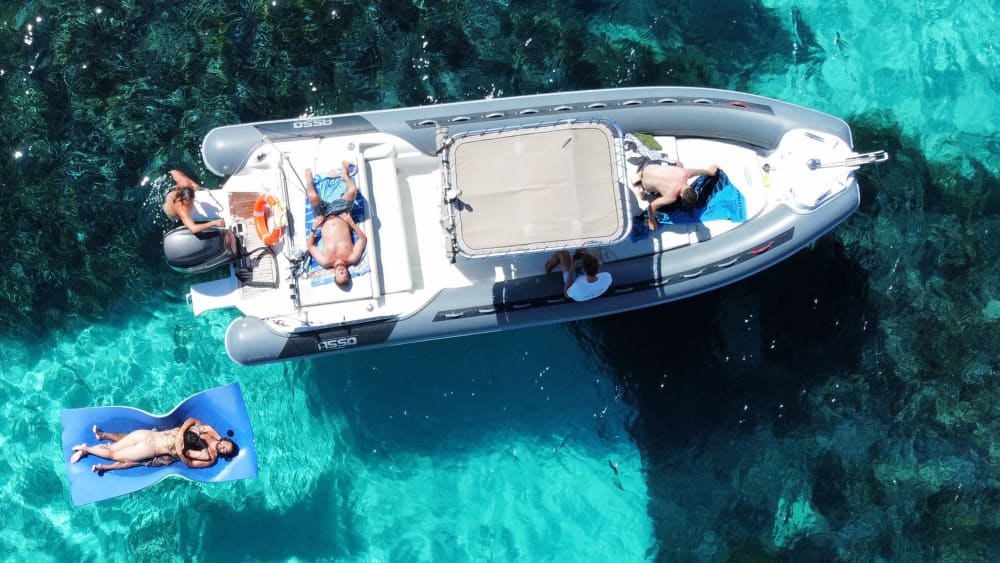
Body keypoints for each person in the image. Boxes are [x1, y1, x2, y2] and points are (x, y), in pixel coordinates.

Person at [69, 418, 239, 473]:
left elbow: (191, 464)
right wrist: (181, 434)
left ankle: (86, 449)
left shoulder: (209, 456)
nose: (222, 447)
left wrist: (181, 451)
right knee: (116, 449)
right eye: (225, 444)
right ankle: (88, 447)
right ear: (224, 440)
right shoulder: (208, 432)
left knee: (115, 452)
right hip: (149, 437)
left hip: (151, 446)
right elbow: (193, 421)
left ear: (224, 455)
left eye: (225, 450)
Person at [305, 161, 368, 287]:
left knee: (312, 196)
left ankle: (309, 181)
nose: (342, 272)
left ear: (335, 275)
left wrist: (314, 228)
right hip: (342, 214)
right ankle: (345, 176)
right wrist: (351, 222)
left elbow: (310, 246)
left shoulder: (325, 261)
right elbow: (363, 239)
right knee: (352, 190)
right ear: (348, 273)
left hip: (323, 217)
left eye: (340, 275)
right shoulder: (352, 258)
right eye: (345, 275)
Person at [631, 161, 718, 231]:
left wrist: (710, 172)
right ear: (681, 196)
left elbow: (699, 171)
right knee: (668, 206)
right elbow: (651, 206)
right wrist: (651, 221)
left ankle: (640, 175)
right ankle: (640, 187)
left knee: (679, 164)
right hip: (644, 184)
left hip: (648, 166)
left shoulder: (686, 173)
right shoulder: (671, 197)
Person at [163, 169, 226, 233]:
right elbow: (193, 229)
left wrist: (195, 185)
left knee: (186, 181)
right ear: (183, 203)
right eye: (190, 203)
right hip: (170, 212)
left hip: (169, 196)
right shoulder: (182, 210)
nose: (192, 204)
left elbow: (174, 171)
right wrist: (213, 223)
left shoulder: (184, 183)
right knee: (183, 218)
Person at [545, 249, 613, 302]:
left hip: (574, 284)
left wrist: (571, 271)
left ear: (583, 271)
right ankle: (579, 253)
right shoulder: (607, 276)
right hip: (585, 278)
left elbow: (566, 295)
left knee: (563, 253)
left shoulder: (576, 287)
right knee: (583, 251)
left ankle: (548, 268)